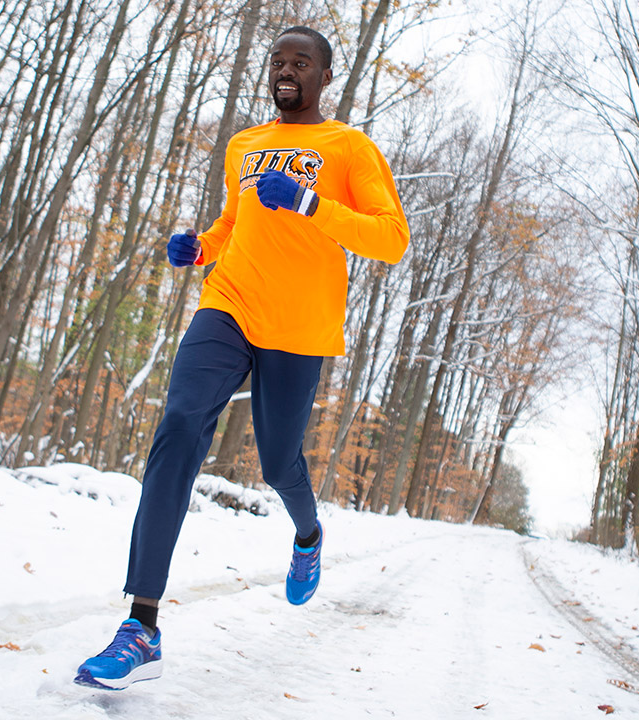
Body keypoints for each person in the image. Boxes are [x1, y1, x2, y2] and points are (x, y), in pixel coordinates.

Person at [75, 25, 409, 690]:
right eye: (279, 61)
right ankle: (141, 626)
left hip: (300, 328)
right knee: (179, 424)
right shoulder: (244, 145)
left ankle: (308, 534)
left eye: (302, 62)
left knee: (278, 459)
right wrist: (200, 247)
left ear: (324, 76)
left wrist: (312, 203)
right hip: (228, 304)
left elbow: (391, 238)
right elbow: (235, 224)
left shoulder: (348, 147)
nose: (288, 71)